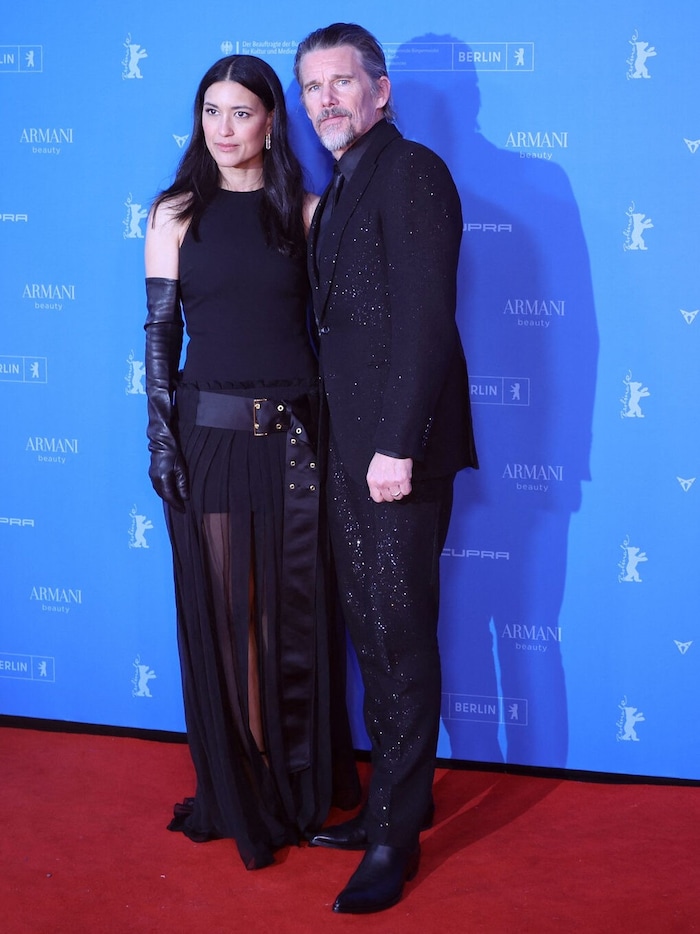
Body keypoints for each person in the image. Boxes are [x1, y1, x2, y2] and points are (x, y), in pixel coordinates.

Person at [143, 54, 359, 871]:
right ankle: (249, 786)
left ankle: (299, 780)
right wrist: (160, 438)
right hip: (211, 441)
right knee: (233, 621)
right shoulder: (173, 213)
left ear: (271, 121)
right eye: (211, 111)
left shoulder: (307, 212)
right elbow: (160, 337)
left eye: (240, 112)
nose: (223, 128)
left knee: (294, 618)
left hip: (301, 443)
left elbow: (338, 339)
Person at [294, 24, 478, 913]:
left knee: (399, 639)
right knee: (373, 634)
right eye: (311, 87)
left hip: (394, 455)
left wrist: (397, 445)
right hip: (349, 451)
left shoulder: (411, 172)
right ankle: (396, 803)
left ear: (381, 89)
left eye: (341, 82)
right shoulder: (341, 185)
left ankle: (394, 841)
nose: (325, 100)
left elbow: (426, 320)